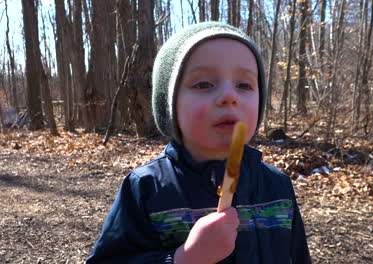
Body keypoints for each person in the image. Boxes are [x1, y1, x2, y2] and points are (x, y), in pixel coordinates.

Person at [87, 22, 312, 264]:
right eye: (204, 84)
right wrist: (184, 258)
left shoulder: (276, 186)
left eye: (244, 85)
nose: (229, 96)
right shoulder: (146, 188)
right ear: (170, 106)